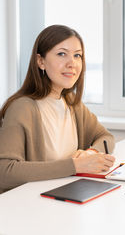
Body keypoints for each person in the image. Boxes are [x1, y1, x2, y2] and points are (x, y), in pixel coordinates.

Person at [0, 25, 115, 193]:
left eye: (77, 55)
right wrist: (75, 166)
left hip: (64, 194)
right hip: (29, 204)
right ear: (41, 61)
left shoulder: (72, 104)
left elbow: (106, 137)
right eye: (62, 54)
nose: (72, 63)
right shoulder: (22, 108)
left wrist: (90, 153)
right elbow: (5, 171)